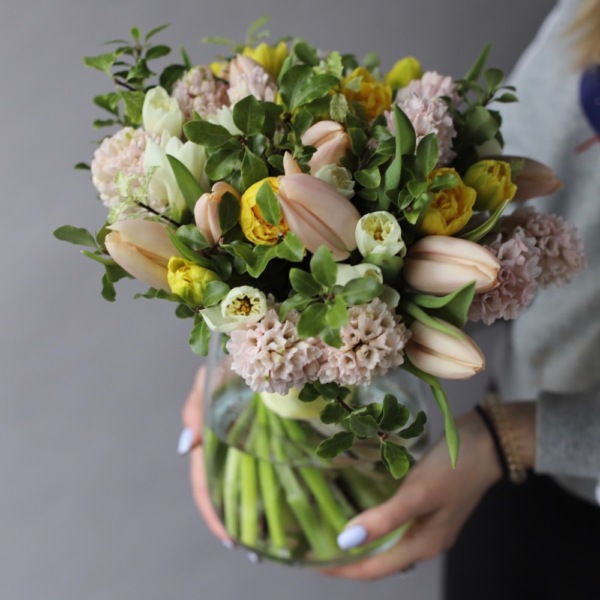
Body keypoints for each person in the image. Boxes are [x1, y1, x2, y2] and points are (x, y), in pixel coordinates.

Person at [179, 0, 600, 594]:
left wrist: (518, 437)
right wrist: (274, 351)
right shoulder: (586, 20)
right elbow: (487, 219)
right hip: (517, 473)